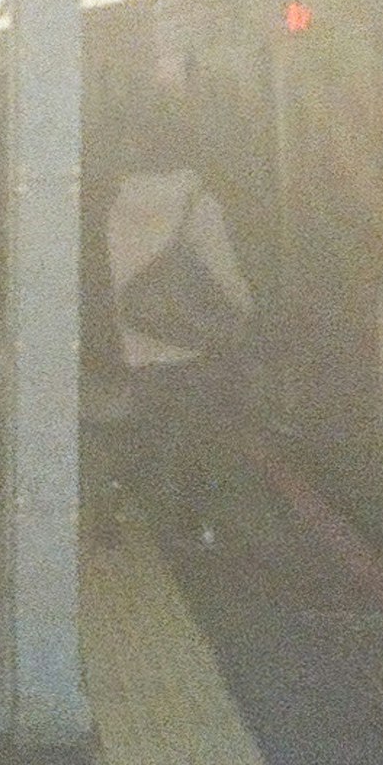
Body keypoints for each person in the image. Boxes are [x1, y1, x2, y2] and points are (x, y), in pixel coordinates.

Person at [98, 111, 252, 548]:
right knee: (194, 431)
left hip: (137, 336)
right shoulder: (196, 201)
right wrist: (242, 310)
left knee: (143, 427)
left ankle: (112, 507)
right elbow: (222, 269)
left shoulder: (116, 200)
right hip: (189, 340)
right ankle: (192, 522)